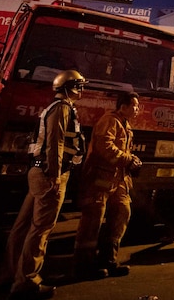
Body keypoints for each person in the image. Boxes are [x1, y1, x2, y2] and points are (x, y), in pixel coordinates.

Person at [0, 70, 87, 300]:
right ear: (69, 87)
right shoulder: (62, 108)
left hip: (38, 173)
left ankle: (9, 276)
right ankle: (26, 281)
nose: (81, 90)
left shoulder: (55, 107)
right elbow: (54, 144)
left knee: (23, 226)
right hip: (48, 175)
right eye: (78, 86)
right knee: (40, 229)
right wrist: (55, 176)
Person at [72, 91, 142, 280]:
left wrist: (131, 162)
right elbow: (105, 146)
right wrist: (129, 160)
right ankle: (84, 265)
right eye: (134, 105)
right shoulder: (109, 121)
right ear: (123, 107)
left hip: (118, 181)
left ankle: (108, 261)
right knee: (92, 221)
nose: (137, 109)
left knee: (122, 212)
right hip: (99, 180)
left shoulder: (125, 126)